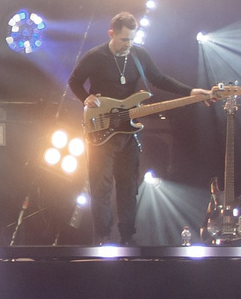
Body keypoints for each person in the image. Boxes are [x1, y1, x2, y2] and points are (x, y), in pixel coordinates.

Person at [66, 12, 203, 245]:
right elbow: (74, 81)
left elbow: (159, 79)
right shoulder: (95, 56)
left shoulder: (139, 55)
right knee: (101, 185)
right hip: (102, 129)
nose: (128, 45)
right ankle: (102, 237)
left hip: (128, 131)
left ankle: (127, 238)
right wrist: (85, 98)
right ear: (112, 34)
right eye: (124, 40)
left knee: (128, 185)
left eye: (131, 39)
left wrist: (191, 92)